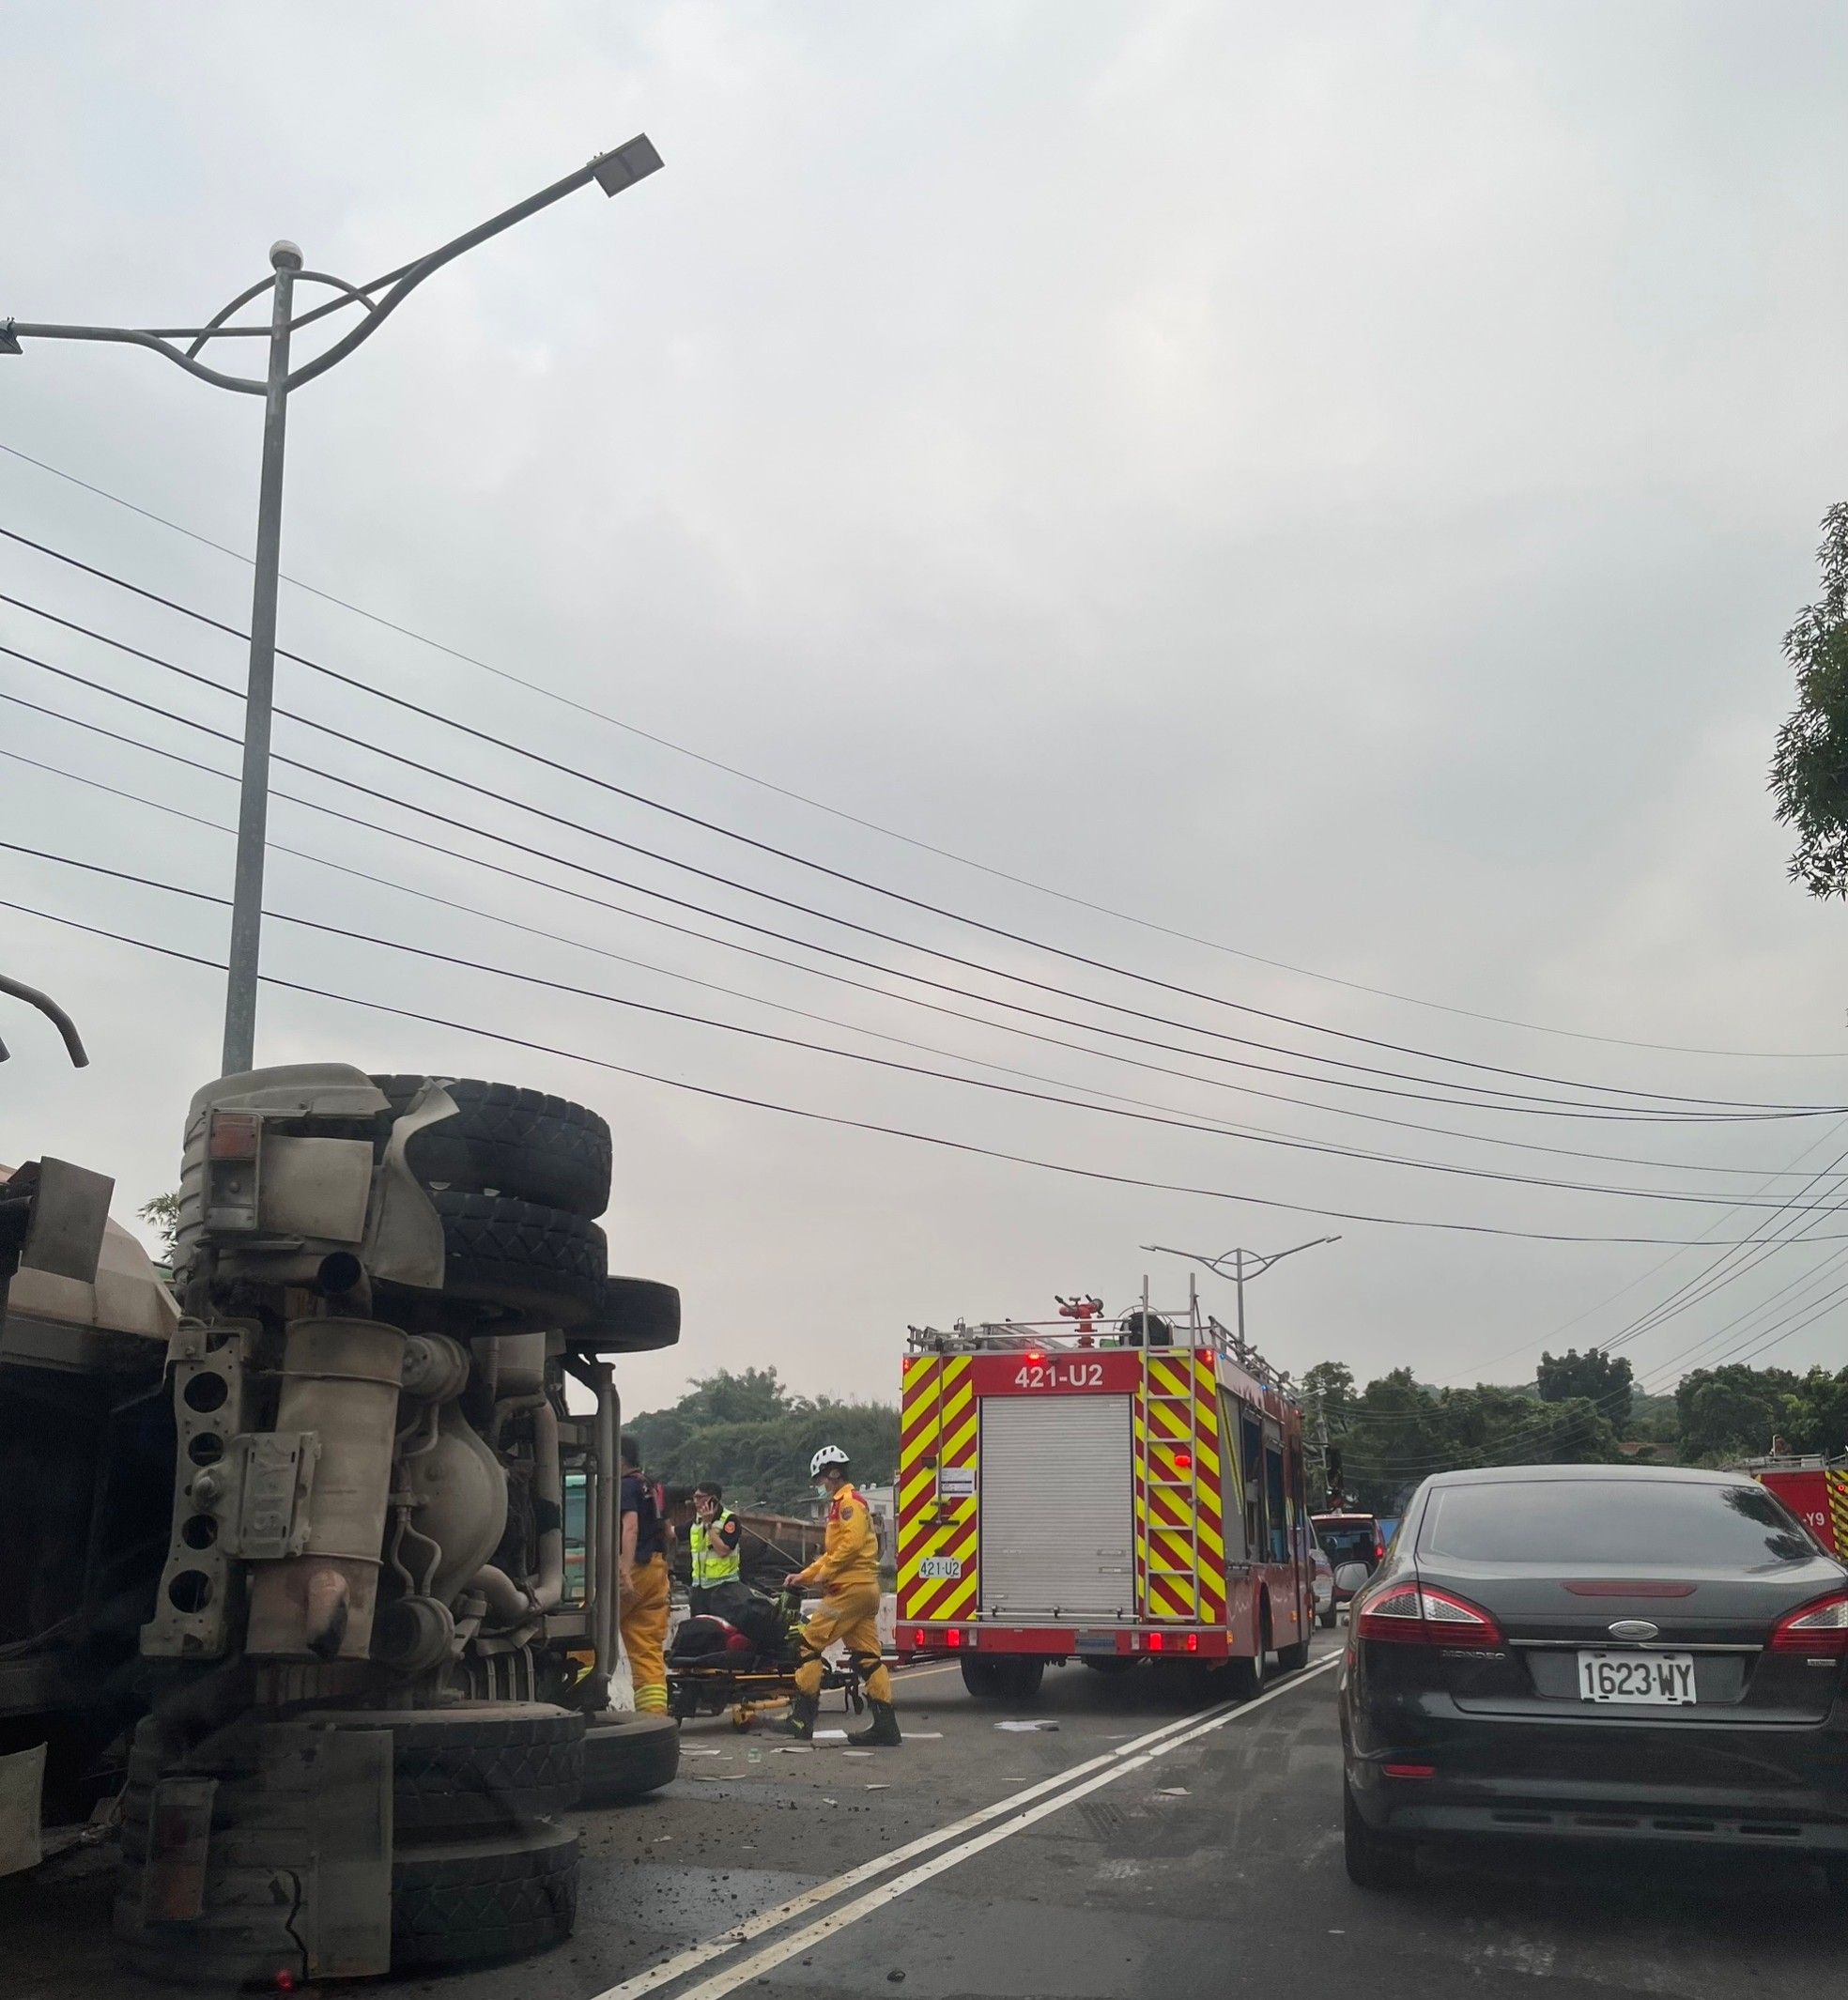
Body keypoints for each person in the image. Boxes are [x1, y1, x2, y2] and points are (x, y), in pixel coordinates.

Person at [781, 1445, 900, 1747]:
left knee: (807, 1646)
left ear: (833, 1473)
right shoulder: (840, 1506)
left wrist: (824, 1574)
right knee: (868, 1659)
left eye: (820, 1479)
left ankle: (801, 1719)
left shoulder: (849, 1504)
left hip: (848, 1590)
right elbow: (834, 1553)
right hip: (863, 1590)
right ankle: (886, 1726)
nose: (819, 1486)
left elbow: (849, 1546)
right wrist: (804, 1576)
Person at [618, 1435, 670, 1716]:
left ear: (620, 1458)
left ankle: (580, 1706)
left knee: (589, 1632)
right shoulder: (652, 1485)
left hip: (635, 1567)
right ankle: (654, 1720)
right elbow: (669, 1531)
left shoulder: (626, 1486)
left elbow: (630, 1528)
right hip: (656, 1569)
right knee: (646, 1647)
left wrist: (624, 1569)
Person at [689, 1481, 749, 1622]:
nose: (695, 1501)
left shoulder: (729, 1520)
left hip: (724, 1588)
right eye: (694, 1497)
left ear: (713, 1499)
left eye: (700, 1497)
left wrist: (708, 1525)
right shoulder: (696, 1521)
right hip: (699, 1588)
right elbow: (674, 1533)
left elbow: (723, 1550)